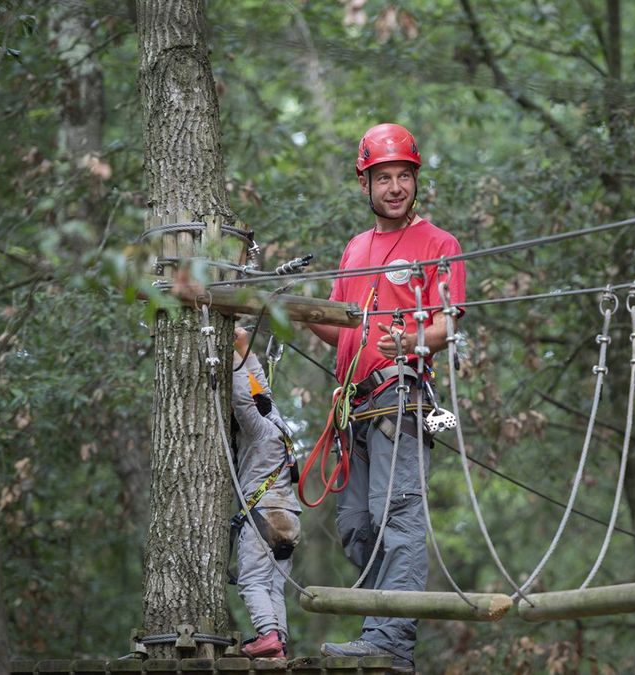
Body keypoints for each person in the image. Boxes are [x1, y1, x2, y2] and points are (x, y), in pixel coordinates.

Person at [310, 123, 466, 670]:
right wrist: (295, 316)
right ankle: (381, 628)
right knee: (356, 526)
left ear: (415, 181)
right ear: (365, 185)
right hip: (353, 405)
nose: (395, 187)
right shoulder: (355, 248)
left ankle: (390, 641)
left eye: (404, 176)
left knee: (397, 516)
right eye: (384, 178)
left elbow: (447, 323)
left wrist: (414, 339)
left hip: (401, 400)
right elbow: (339, 327)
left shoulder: (438, 244)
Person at [230, 327, 302, 659]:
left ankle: (267, 634)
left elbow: (244, 399)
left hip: (264, 514)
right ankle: (278, 643)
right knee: (274, 585)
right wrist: (245, 347)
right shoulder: (277, 422)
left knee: (253, 582)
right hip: (290, 517)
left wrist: (231, 357)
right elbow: (262, 393)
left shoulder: (258, 429)